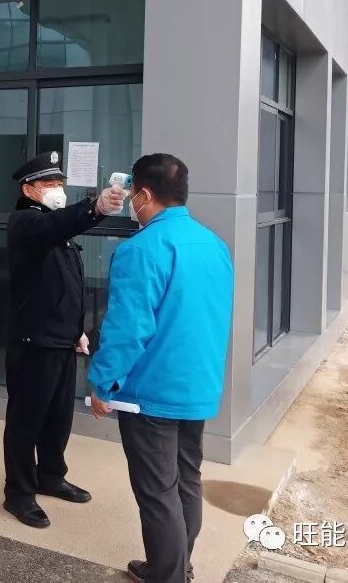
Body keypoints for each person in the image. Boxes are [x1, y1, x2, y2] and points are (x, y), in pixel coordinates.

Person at [88, 154, 234, 583]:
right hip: (197, 386)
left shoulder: (140, 249)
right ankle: (176, 566)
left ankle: (168, 575)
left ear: (144, 194)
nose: (131, 201)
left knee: (157, 492)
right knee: (186, 480)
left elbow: (127, 329)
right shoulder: (213, 244)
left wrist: (102, 383)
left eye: (133, 193)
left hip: (150, 393)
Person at [4, 151, 125, 528]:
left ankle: (51, 476)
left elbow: (66, 286)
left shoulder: (56, 231)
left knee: (57, 419)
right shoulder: (26, 223)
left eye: (60, 183)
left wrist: (78, 331)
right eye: (49, 184)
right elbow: (55, 226)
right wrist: (95, 208)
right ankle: (19, 493)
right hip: (33, 342)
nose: (57, 189)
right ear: (29, 190)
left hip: (61, 340)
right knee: (26, 420)